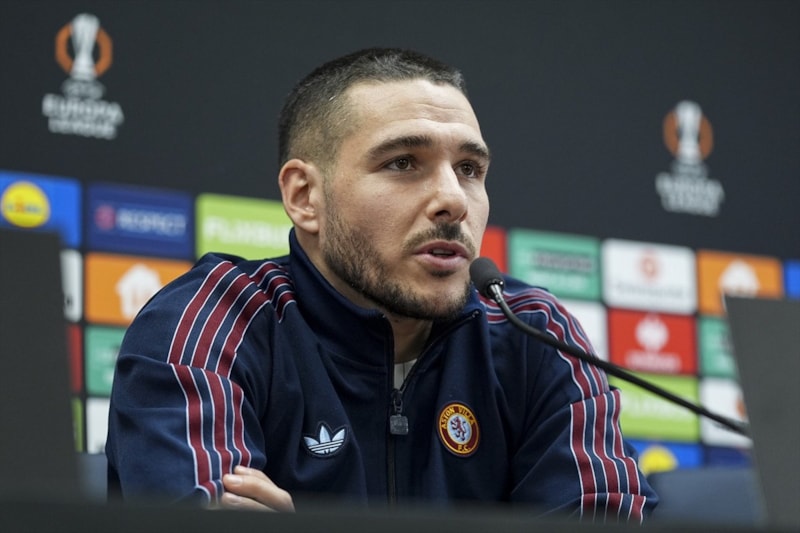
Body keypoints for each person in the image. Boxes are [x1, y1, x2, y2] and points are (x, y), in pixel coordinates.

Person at [106, 47, 657, 522]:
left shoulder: (533, 334)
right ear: (304, 196)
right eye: (403, 163)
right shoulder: (213, 321)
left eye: (469, 169)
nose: (454, 200)